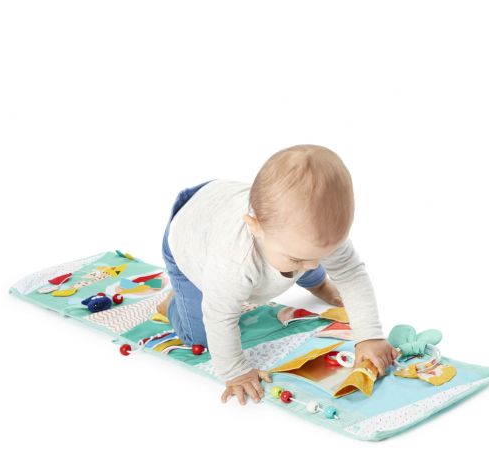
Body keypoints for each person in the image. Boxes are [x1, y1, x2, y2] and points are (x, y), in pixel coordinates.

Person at [158, 144, 398, 405]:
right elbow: (219, 317)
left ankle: (315, 282)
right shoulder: (234, 263)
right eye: (298, 259)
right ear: (256, 227)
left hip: (223, 202)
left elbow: (351, 274)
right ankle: (173, 302)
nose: (312, 265)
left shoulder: (306, 234)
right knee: (201, 335)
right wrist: (236, 372)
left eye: (322, 257)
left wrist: (369, 335)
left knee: (301, 257)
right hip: (189, 239)